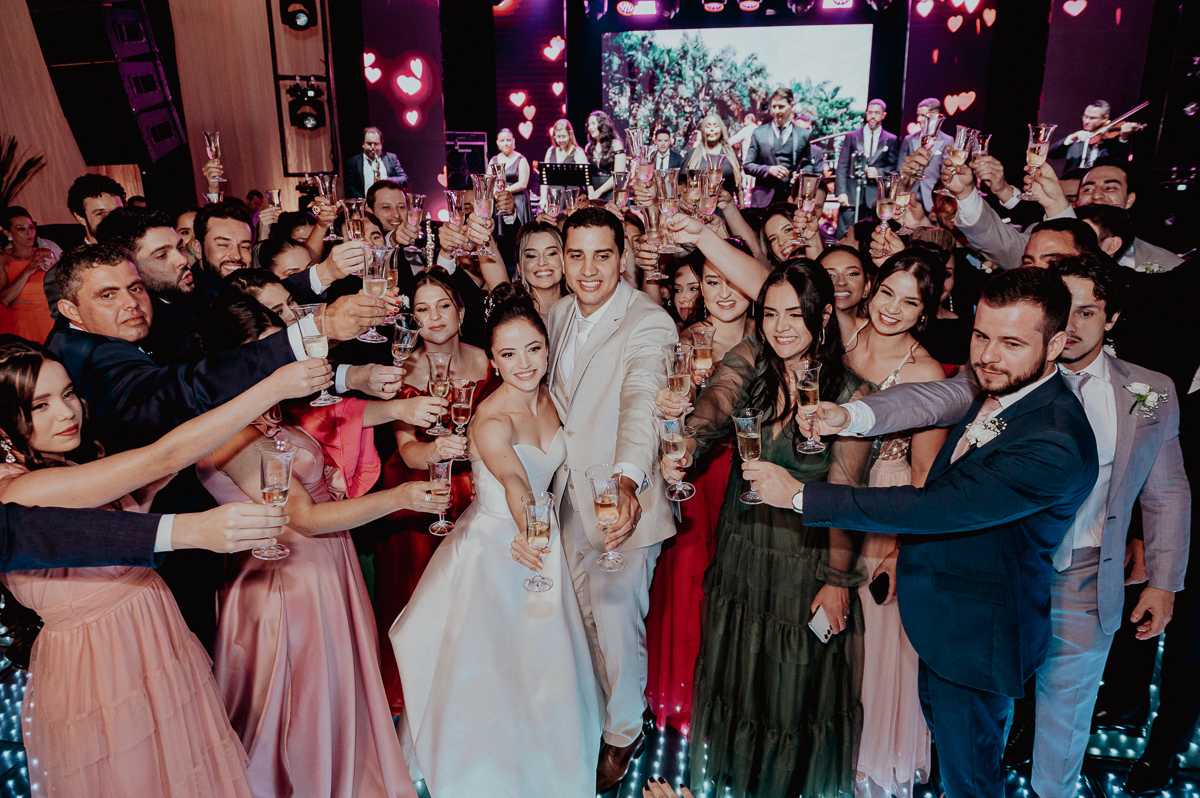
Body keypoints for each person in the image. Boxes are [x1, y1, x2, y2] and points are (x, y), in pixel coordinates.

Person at [772, 268, 1099, 798]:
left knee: (972, 780)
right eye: (981, 335)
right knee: (953, 763)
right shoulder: (999, 384)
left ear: (1057, 344)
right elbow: (921, 400)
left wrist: (797, 496)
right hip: (946, 621)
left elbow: (936, 508)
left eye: (1011, 342)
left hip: (980, 637)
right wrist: (847, 415)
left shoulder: (1055, 440)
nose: (988, 355)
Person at [0, 339, 329, 795]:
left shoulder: (58, 465)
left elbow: (162, 465)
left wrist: (212, 429)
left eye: (69, 393)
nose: (66, 412)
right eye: (40, 405)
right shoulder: (18, 490)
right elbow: (163, 455)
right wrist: (270, 385)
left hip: (152, 635)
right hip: (101, 662)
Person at [196, 302, 437, 798]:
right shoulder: (233, 435)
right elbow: (303, 517)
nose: (278, 361)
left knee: (333, 695)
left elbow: (333, 418)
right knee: (299, 706)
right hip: (287, 586)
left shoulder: (267, 412)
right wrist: (400, 498)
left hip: (324, 568)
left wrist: (396, 408)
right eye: (262, 352)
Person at [658, 259, 873, 798]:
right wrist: (687, 442)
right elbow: (716, 399)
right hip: (742, 550)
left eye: (795, 315)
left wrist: (836, 580)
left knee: (792, 693)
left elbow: (846, 500)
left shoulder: (851, 396)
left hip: (804, 564)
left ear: (823, 316)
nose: (780, 327)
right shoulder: (755, 357)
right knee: (740, 684)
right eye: (771, 313)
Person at [391, 284, 601, 796]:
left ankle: (548, 769)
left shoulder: (556, 398)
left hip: (543, 543)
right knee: (491, 673)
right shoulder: (490, 418)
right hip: (497, 547)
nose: (524, 363)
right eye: (508, 354)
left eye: (533, 348)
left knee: (546, 670)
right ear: (494, 360)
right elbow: (513, 480)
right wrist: (529, 527)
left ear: (548, 348)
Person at [541, 207, 676, 791]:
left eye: (603, 255)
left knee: (619, 628)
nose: (588, 269)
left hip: (622, 505)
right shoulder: (558, 314)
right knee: (579, 624)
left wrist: (625, 481)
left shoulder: (650, 322)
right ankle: (595, 719)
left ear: (623, 257)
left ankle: (624, 733)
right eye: (576, 255)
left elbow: (642, 401)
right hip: (562, 501)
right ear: (563, 260)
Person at [841, 250, 948, 797]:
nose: (892, 309)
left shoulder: (926, 372)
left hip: (883, 509)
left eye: (911, 302)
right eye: (887, 292)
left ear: (925, 313)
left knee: (875, 643)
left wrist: (900, 548)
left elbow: (926, 472)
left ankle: (870, 766)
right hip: (822, 496)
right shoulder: (843, 335)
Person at [645, 247, 755, 735]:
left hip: (754, 475)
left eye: (732, 280)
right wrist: (672, 407)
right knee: (690, 584)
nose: (724, 292)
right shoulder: (683, 340)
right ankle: (687, 699)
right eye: (712, 282)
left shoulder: (772, 337)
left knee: (743, 588)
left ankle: (737, 696)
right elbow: (664, 423)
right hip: (699, 475)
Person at [372, 268, 491, 712]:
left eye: (443, 305)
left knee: (474, 601)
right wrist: (439, 450)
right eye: (422, 309)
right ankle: (420, 698)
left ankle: (470, 694)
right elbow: (406, 451)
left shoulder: (488, 361)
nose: (435, 316)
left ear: (461, 310)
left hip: (478, 486)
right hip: (419, 491)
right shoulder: (400, 369)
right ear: (411, 319)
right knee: (420, 600)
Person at [835, 99, 899, 237]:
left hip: (875, 198)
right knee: (845, 234)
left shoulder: (891, 139)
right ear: (866, 114)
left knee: (869, 235)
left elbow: (895, 168)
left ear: (883, 115)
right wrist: (840, 192)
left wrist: (879, 173)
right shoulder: (851, 137)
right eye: (870, 112)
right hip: (851, 195)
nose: (873, 116)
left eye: (877, 113)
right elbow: (842, 165)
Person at [744, 88, 814, 207]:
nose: (776, 111)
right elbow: (748, 165)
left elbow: (807, 164)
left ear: (791, 106)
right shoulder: (759, 133)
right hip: (762, 201)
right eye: (774, 106)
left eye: (781, 107)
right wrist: (769, 169)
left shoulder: (803, 135)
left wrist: (802, 176)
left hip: (791, 200)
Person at [0, 207, 55, 342]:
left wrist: (55, 271)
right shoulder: (3, 259)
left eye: (31, 227)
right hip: (23, 322)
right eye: (21, 229)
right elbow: (4, 299)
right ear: (8, 233)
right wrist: (28, 269)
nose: (29, 232)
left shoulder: (46, 253)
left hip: (50, 318)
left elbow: (63, 289)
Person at [897, 98, 953, 212]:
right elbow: (900, 169)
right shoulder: (909, 140)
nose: (918, 119)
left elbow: (947, 174)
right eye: (918, 115)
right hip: (910, 198)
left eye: (923, 115)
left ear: (935, 115)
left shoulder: (947, 140)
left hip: (932, 199)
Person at [1048, 100, 1137, 171]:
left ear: (1105, 118)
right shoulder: (1077, 138)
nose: (1086, 121)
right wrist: (1071, 138)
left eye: (1092, 118)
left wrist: (1124, 138)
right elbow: (1051, 154)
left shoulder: (1111, 142)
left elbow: (1120, 163)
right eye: (1085, 116)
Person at [817, 244, 872, 346]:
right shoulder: (806, 333)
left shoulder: (878, 336)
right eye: (830, 275)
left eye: (852, 274)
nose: (841, 282)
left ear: (866, 287)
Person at [682, 113, 744, 202]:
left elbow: (739, 186)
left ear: (721, 129)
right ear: (703, 130)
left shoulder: (731, 155)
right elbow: (683, 186)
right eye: (708, 126)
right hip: (699, 208)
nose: (712, 129)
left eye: (715, 126)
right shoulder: (691, 155)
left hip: (727, 209)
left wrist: (742, 207)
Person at [346, 126, 408, 198]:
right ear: (363, 144)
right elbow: (351, 187)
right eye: (369, 143)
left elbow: (404, 179)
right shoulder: (353, 162)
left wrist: (386, 180)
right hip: (365, 205)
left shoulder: (392, 158)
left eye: (376, 144)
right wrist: (364, 203)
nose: (372, 147)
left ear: (381, 144)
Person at [490, 127, 532, 225]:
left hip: (518, 200)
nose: (506, 143)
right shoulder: (493, 160)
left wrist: (503, 192)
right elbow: (489, 182)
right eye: (502, 140)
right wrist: (497, 194)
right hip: (499, 200)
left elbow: (523, 183)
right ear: (497, 143)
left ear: (513, 141)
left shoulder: (521, 159)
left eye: (508, 140)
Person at [584, 110, 626, 201]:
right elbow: (586, 174)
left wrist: (599, 192)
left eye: (593, 123)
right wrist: (591, 193)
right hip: (593, 192)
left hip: (611, 193)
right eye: (589, 125)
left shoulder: (616, 144)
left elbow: (618, 175)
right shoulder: (588, 148)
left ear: (602, 124)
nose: (590, 128)